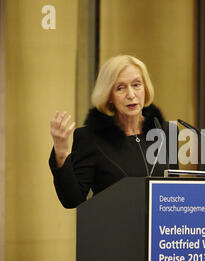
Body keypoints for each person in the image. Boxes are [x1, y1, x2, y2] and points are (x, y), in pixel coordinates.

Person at [49, 55, 178, 209]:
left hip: (158, 231)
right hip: (113, 230)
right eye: (120, 88)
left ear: (145, 88)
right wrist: (61, 154)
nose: (131, 94)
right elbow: (73, 200)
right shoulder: (91, 138)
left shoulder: (166, 132)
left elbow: (174, 193)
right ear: (108, 96)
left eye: (136, 85)